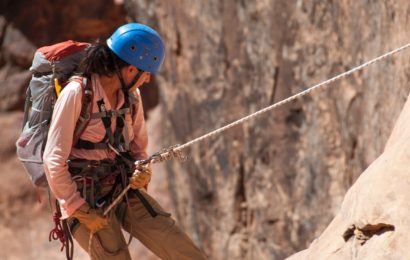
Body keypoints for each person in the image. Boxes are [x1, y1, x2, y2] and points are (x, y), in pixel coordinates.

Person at [43, 23, 207, 260]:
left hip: (122, 185)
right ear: (131, 69)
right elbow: (53, 158)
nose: (148, 80)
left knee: (181, 248)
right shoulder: (77, 93)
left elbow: (139, 149)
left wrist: (143, 172)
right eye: (146, 72)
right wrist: (78, 208)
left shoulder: (132, 97)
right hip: (83, 196)